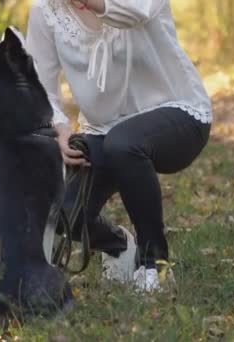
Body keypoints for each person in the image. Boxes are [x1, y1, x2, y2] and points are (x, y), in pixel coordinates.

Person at [25, 0, 213, 292]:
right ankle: (119, 245)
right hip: (103, 130)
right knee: (64, 211)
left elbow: (135, 12)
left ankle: (155, 266)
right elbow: (40, 84)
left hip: (179, 114)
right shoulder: (46, 11)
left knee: (124, 143)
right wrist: (60, 130)